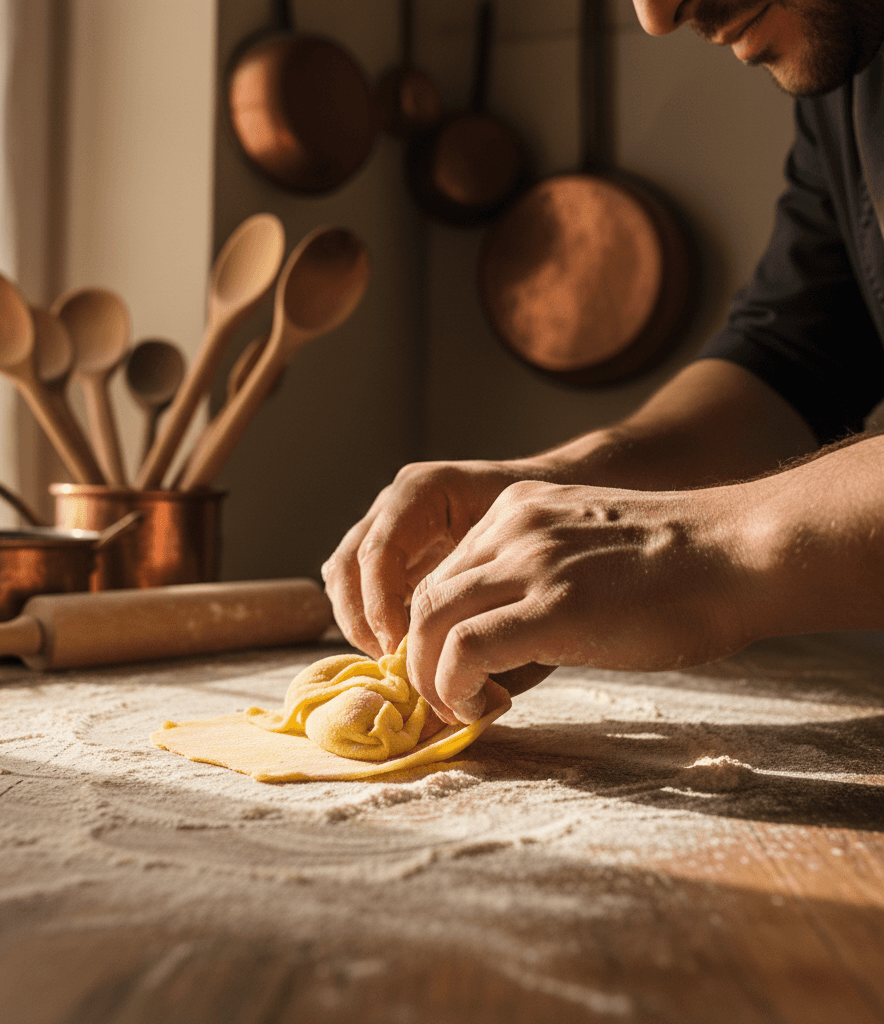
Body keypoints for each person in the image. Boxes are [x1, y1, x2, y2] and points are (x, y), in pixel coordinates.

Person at [320, 0, 884, 731]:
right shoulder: (848, 64)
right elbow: (790, 364)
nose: (655, 16)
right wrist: (560, 480)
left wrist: (697, 544)